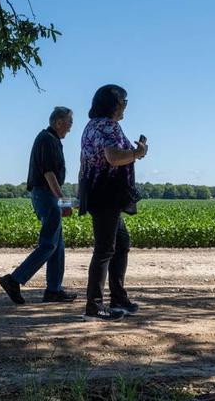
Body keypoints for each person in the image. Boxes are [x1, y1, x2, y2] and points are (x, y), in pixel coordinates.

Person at [78, 85, 148, 322]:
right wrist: (137, 154)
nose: (126, 105)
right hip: (106, 193)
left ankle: (118, 298)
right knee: (105, 249)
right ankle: (94, 306)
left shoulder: (93, 126)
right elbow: (113, 157)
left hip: (100, 193)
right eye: (124, 101)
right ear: (113, 104)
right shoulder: (107, 126)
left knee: (121, 242)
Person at [0, 107, 78, 305]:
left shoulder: (50, 139)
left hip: (46, 194)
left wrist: (65, 201)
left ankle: (53, 290)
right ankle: (14, 279)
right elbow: (49, 174)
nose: (71, 127)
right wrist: (62, 201)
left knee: (57, 245)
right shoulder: (47, 140)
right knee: (49, 243)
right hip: (46, 195)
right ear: (59, 122)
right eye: (70, 122)